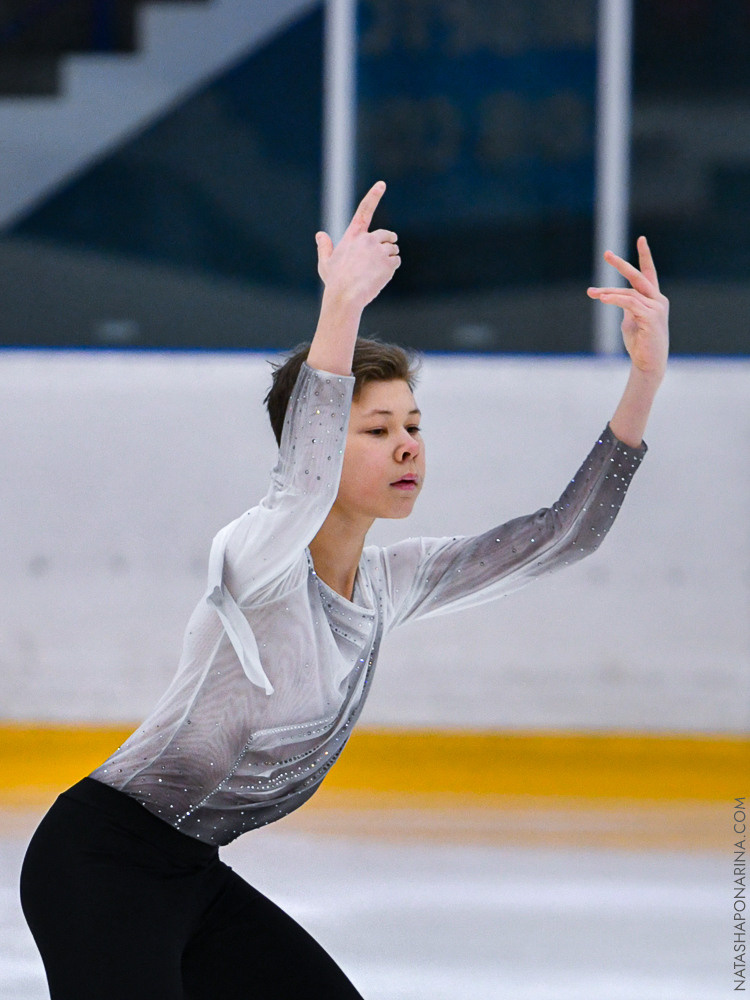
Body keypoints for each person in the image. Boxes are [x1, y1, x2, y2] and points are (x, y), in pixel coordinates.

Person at [20, 181, 669, 1000]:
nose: (406, 446)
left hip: (189, 875)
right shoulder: (258, 557)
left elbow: (560, 537)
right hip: (99, 868)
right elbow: (303, 479)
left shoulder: (392, 584)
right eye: (378, 429)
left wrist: (643, 378)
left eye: (413, 426)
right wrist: (341, 310)